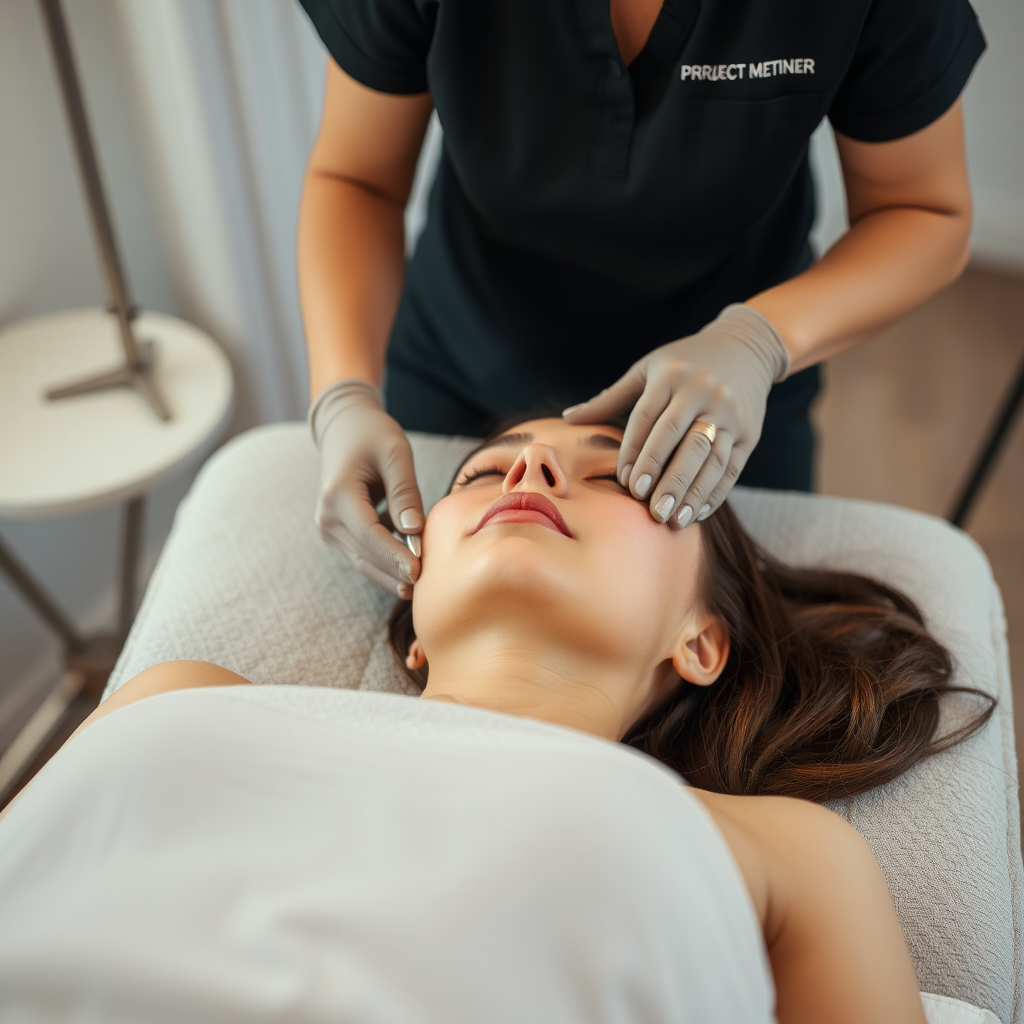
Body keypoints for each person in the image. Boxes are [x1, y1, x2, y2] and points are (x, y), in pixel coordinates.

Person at [0, 419, 992, 1023]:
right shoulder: (182, 694)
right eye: (481, 471)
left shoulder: (783, 849)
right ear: (413, 623)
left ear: (702, 637)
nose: (530, 474)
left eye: (616, 477)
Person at [297, 0, 984, 599]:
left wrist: (761, 339)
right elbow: (356, 178)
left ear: (700, 649)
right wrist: (344, 392)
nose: (534, 469)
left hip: (723, 405)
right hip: (463, 358)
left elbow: (923, 210)